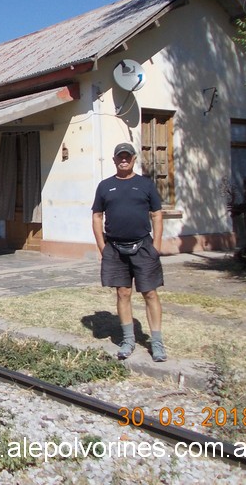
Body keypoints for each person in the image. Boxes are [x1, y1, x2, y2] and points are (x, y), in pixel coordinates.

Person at [91, 142, 167, 362]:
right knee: (123, 293)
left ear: (134, 159)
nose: (123, 160)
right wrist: (102, 247)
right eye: (120, 157)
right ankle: (128, 340)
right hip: (114, 248)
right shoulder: (105, 186)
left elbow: (157, 214)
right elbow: (97, 216)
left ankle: (157, 343)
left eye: (127, 157)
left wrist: (157, 245)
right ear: (114, 160)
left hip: (143, 246)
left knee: (150, 293)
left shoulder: (145, 184)